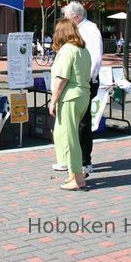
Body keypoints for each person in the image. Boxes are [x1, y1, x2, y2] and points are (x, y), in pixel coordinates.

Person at [48, 18, 92, 190]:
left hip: (70, 97)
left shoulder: (67, 50)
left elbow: (62, 78)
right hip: (83, 95)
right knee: (67, 134)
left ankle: (77, 177)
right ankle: (73, 174)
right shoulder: (83, 50)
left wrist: (53, 101)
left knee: (69, 136)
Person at [61, 1, 104, 177]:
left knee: (83, 122)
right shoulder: (77, 30)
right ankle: (75, 159)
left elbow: (96, 58)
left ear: (76, 16)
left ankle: (85, 161)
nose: (65, 20)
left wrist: (86, 79)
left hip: (85, 82)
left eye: (67, 16)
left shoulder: (91, 30)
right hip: (77, 81)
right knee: (75, 122)